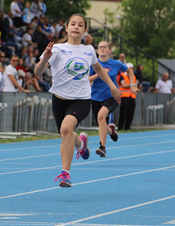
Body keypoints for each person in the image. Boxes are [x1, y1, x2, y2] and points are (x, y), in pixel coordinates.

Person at [34, 14, 122, 188]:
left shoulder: (88, 50)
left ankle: (65, 173)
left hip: (81, 100)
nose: (76, 27)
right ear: (66, 28)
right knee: (66, 134)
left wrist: (113, 87)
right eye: (72, 24)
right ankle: (81, 143)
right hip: (59, 99)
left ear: (84, 30)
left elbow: (100, 69)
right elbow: (37, 72)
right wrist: (45, 58)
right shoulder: (57, 49)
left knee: (66, 129)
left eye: (80, 24)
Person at [89, 42, 138, 156]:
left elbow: (130, 71)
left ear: (109, 50)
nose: (102, 48)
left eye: (104, 47)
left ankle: (102, 147)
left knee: (101, 116)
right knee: (102, 123)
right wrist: (100, 73)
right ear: (97, 51)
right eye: (99, 47)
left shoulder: (115, 63)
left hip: (112, 96)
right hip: (95, 97)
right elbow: (88, 79)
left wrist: (132, 85)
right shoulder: (93, 64)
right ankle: (111, 132)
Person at [117, 63, 139, 131]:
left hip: (132, 96)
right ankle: (120, 127)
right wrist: (133, 85)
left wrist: (134, 86)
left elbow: (135, 86)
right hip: (124, 96)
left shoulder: (134, 77)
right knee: (123, 112)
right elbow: (124, 85)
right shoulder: (122, 75)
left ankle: (127, 127)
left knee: (131, 112)